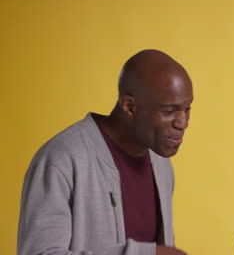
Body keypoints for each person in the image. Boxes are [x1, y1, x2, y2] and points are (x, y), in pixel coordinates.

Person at [18, 49, 193, 255]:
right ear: (130, 107)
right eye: (169, 111)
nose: (183, 122)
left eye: (187, 108)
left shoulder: (160, 161)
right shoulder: (61, 159)